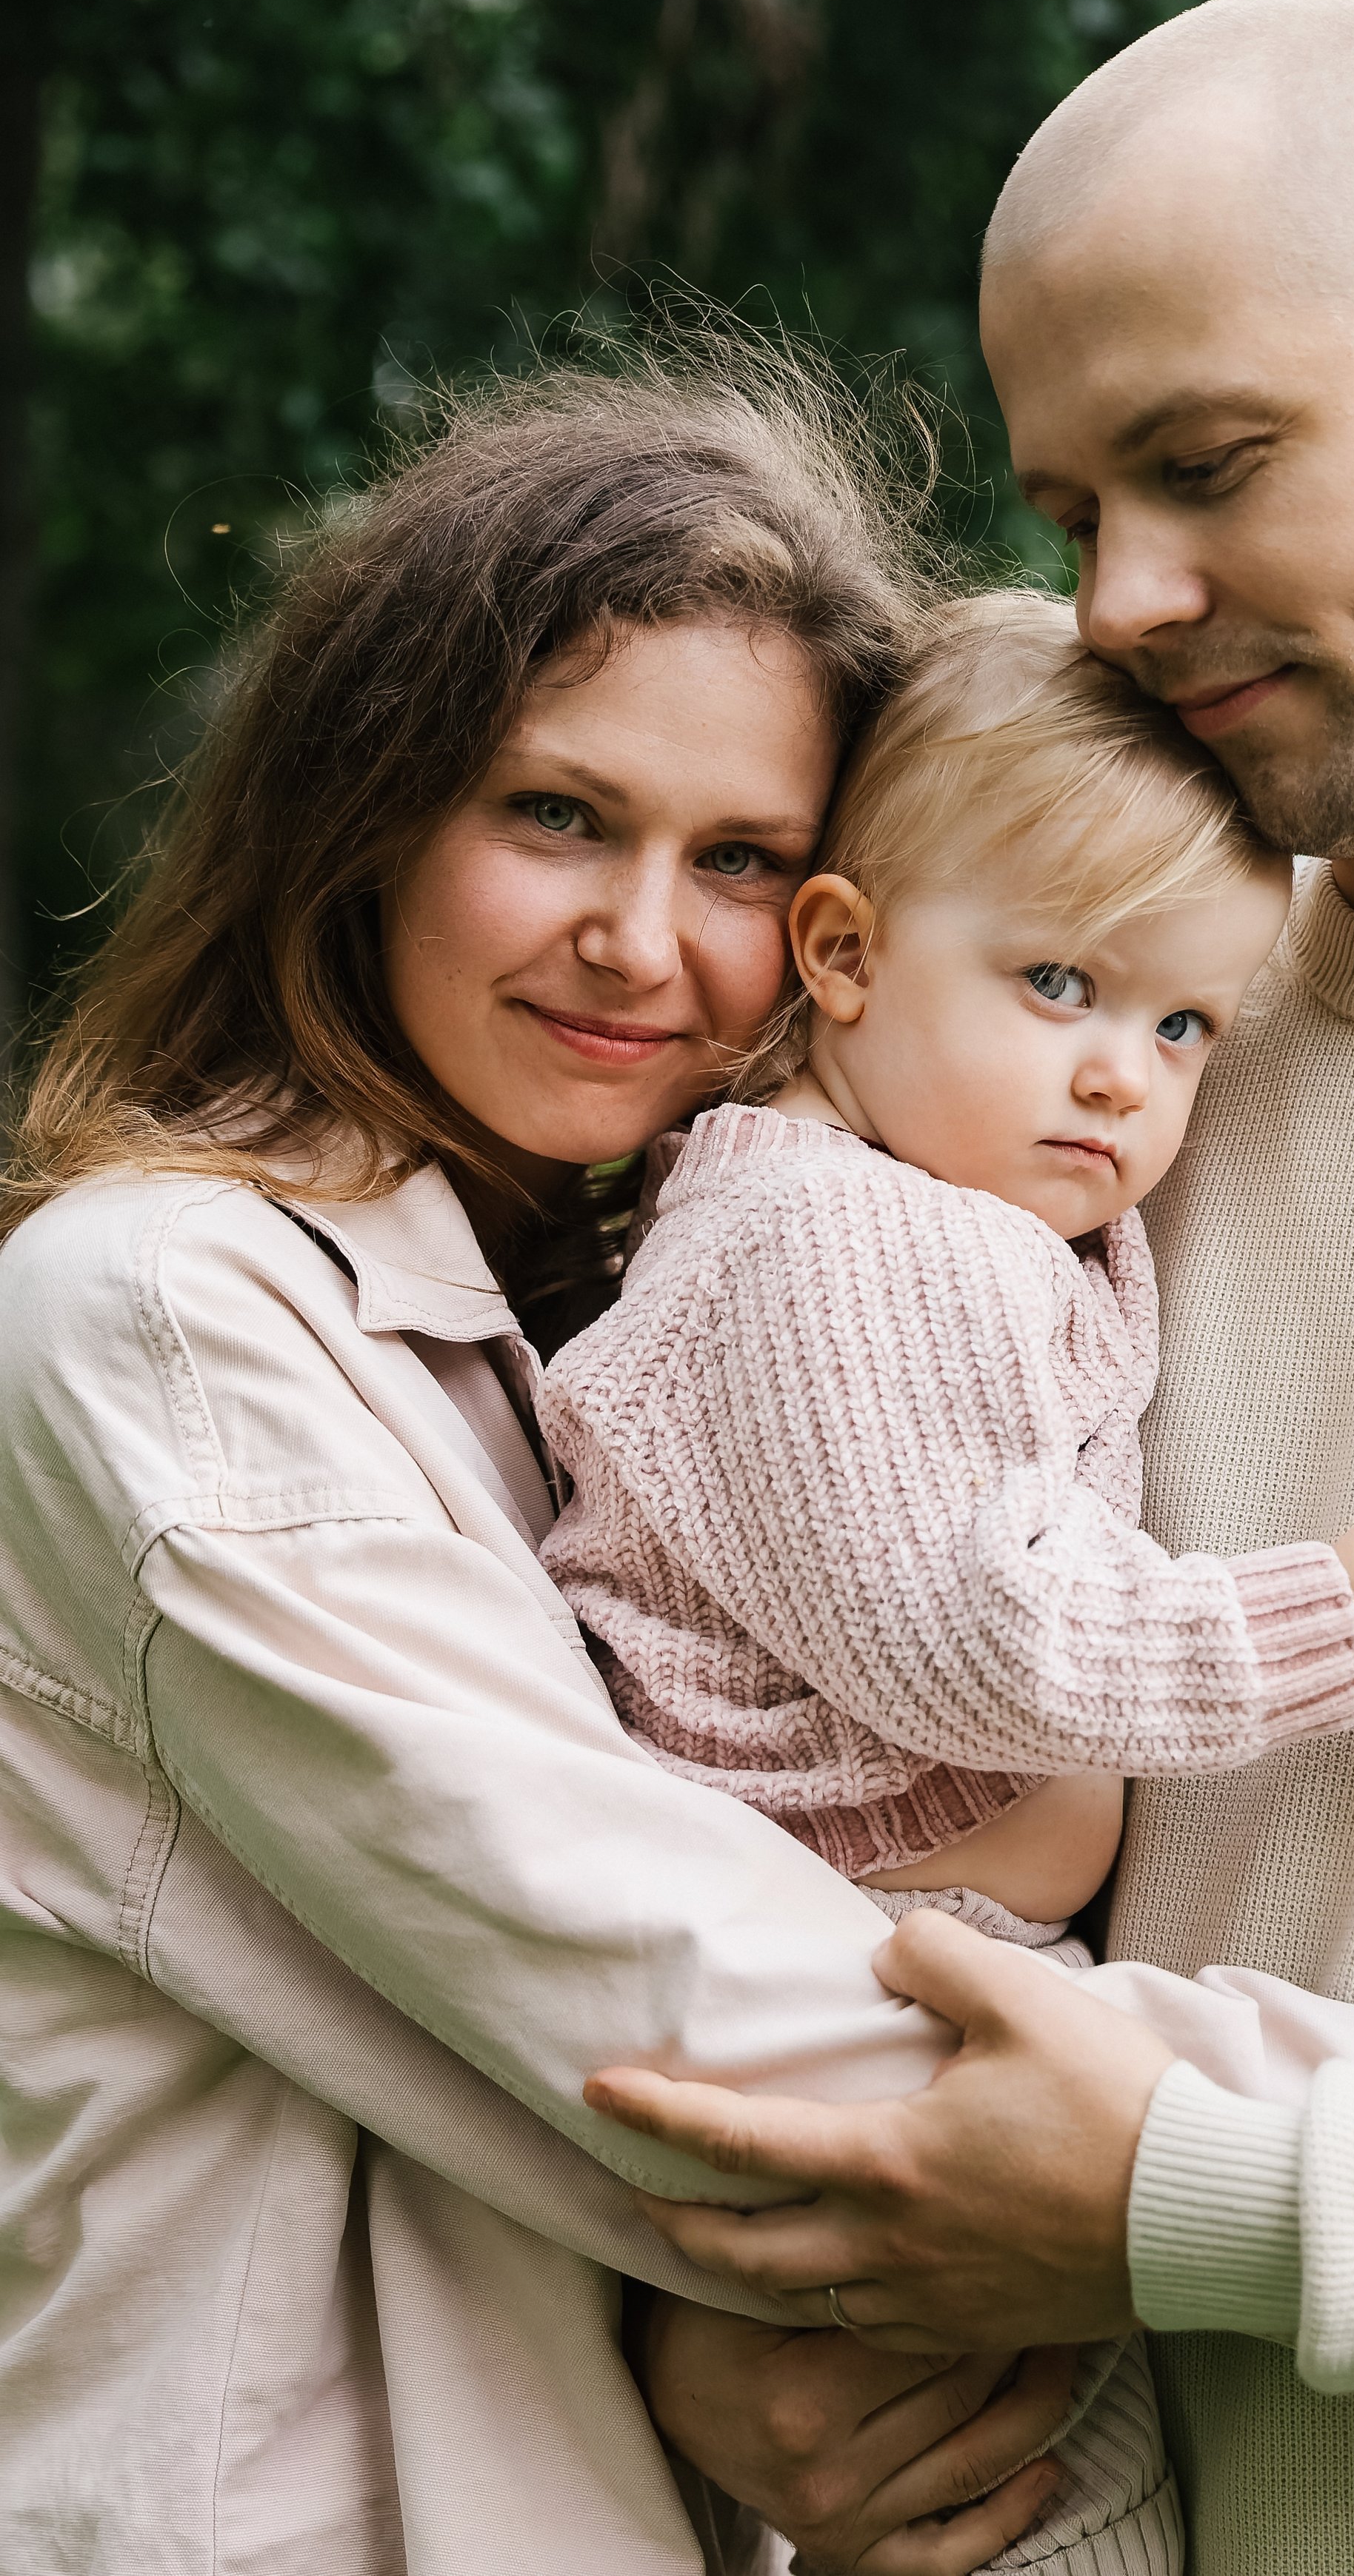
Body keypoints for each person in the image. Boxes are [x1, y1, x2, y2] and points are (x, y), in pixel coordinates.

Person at [585, 0, 1354, 2576]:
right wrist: (710, 2313)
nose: (1126, 599)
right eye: (1071, 509)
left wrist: (1211, 2201)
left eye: (1205, 463)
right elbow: (653, 1741)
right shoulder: (1005, 1043)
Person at [0, 353, 1101, 2575]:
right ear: (367, 809)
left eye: (742, 860)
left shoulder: (611, 1315)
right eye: (555, 816)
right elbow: (680, 2026)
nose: (641, 942)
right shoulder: (171, 1323)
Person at [536, 586, 1354, 2570]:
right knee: (1041, 2483)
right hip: (843, 1985)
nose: (1122, 1081)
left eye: (1179, 1026)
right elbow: (979, 1638)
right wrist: (1335, 1622)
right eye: (1057, 984)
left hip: (886, 1969)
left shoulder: (933, 1206)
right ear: (844, 954)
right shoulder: (843, 1250)